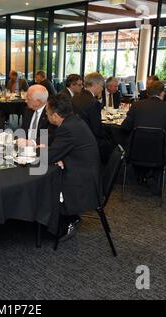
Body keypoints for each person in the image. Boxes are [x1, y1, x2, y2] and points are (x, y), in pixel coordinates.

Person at [44, 93, 101, 238]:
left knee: (45, 181)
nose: (46, 115)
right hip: (88, 171)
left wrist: (27, 153)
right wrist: (60, 156)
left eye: (47, 112)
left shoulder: (67, 128)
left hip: (81, 181)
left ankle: (65, 221)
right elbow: (63, 149)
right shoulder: (74, 121)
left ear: (56, 116)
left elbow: (48, 157)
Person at [121, 80, 166, 190]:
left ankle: (141, 174)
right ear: (162, 93)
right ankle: (152, 174)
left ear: (148, 93)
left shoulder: (136, 105)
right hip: (159, 153)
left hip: (135, 151)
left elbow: (125, 127)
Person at [72, 72, 113, 164]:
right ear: (96, 84)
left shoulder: (75, 97)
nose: (102, 89)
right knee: (112, 144)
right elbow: (97, 130)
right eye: (102, 86)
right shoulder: (93, 103)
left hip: (75, 138)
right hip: (88, 141)